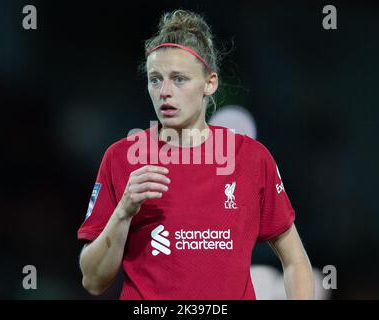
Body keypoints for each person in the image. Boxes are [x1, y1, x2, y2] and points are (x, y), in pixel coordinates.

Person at [77, 9, 314, 300]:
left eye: (179, 79)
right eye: (155, 79)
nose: (164, 91)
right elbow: (92, 280)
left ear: (210, 83)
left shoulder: (251, 158)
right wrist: (123, 212)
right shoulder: (122, 158)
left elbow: (296, 261)